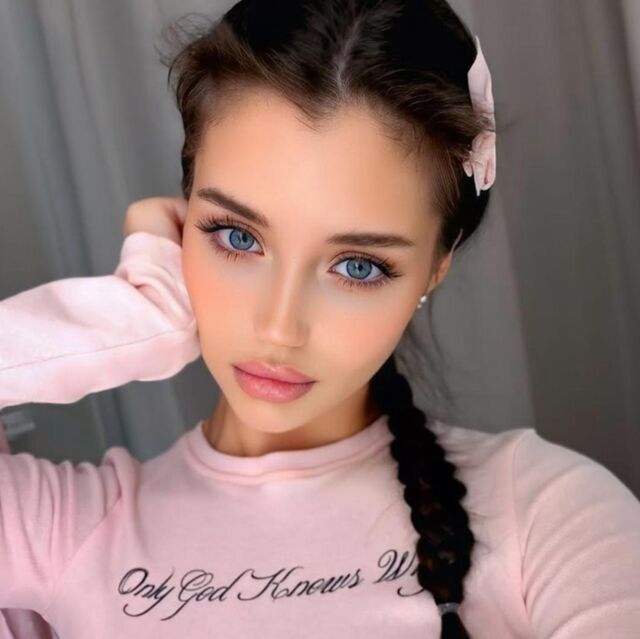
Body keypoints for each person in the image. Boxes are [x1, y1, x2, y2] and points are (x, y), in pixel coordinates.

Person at [1, 1, 639, 637]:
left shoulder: (548, 513)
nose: (280, 328)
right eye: (237, 237)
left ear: (435, 269)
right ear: (184, 218)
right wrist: (133, 323)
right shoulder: (54, 532)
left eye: (358, 266)